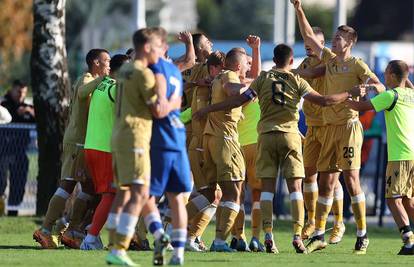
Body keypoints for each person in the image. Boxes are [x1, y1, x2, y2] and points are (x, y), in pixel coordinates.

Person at [193, 44, 365, 254]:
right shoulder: (296, 79)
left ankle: (268, 236)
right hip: (290, 136)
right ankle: (297, 235)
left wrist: (209, 108)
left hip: (265, 136)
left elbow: (239, 99)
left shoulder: (263, 78)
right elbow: (324, 101)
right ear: (291, 62)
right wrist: (350, 93)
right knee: (295, 188)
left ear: (274, 60)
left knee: (265, 190)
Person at [292, 0, 385, 254]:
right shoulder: (330, 60)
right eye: (334, 38)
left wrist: (367, 90)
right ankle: (320, 233)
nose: (335, 41)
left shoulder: (357, 64)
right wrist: (299, 9)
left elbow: (379, 86)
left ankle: (362, 234)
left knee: (351, 180)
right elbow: (309, 36)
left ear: (350, 42)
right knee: (325, 183)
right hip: (328, 127)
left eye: (340, 38)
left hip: (348, 127)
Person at [105, 28, 179, 266]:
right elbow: (158, 110)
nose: (161, 51)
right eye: (158, 46)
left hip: (118, 135)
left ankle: (114, 242)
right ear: (147, 48)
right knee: (140, 191)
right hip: (135, 135)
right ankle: (119, 249)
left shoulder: (125, 69)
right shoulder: (145, 74)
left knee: (125, 191)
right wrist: (170, 96)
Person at [33, 49, 110, 249]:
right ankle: (46, 229)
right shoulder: (86, 79)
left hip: (86, 142)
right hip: (77, 142)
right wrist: (103, 80)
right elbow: (84, 92)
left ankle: (73, 231)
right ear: (96, 63)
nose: (109, 65)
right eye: (106, 61)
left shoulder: (95, 81)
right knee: (67, 184)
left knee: (90, 188)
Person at [346, 60, 414, 255]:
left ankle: (409, 240)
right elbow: (406, 83)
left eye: (386, 72)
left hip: (399, 156)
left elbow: (362, 107)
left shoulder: (391, 96)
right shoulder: (410, 94)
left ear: (392, 75)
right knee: (408, 201)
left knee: (393, 199)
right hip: (412, 155)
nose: (384, 75)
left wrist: (343, 98)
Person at [295, 26, 346, 243]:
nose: (308, 47)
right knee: (309, 174)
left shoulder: (330, 61)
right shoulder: (304, 62)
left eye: (312, 43)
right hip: (312, 126)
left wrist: (289, 72)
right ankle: (312, 220)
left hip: (329, 125)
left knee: (331, 179)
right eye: (306, 44)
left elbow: (313, 74)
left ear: (322, 43)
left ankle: (339, 223)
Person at [78, 54, 130, 250]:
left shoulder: (102, 85)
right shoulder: (116, 88)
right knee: (111, 194)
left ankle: (95, 232)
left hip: (93, 146)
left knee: (109, 195)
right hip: (105, 149)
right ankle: (90, 238)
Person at [185, 51, 226, 252]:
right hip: (200, 146)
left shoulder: (210, 86)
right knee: (211, 195)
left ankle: (187, 233)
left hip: (204, 145)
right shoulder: (203, 90)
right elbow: (200, 116)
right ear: (213, 69)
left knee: (210, 195)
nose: (225, 73)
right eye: (222, 69)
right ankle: (181, 232)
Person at [0, 80, 35, 216]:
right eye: (19, 91)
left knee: (19, 183)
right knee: (1, 181)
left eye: (24, 92)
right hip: (3, 151)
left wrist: (29, 112)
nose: (21, 94)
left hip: (20, 152)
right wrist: (16, 113)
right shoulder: (4, 105)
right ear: (12, 90)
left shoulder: (27, 107)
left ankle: (13, 210)